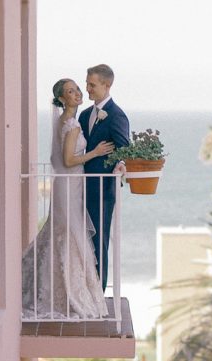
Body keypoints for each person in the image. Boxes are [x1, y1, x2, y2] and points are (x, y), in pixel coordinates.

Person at [22, 78, 114, 318]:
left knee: (64, 231)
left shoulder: (67, 121)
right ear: (62, 99)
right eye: (70, 91)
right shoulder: (71, 125)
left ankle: (55, 286)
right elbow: (67, 160)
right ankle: (68, 292)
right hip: (69, 184)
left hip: (69, 184)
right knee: (70, 232)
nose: (77, 93)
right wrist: (95, 152)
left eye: (77, 89)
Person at [78, 64, 130, 291]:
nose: (87, 89)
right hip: (79, 187)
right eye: (87, 83)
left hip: (101, 191)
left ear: (107, 85)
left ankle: (98, 293)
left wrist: (120, 165)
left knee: (99, 242)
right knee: (80, 241)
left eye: (92, 84)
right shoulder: (84, 115)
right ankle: (81, 289)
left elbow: (124, 150)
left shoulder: (117, 116)